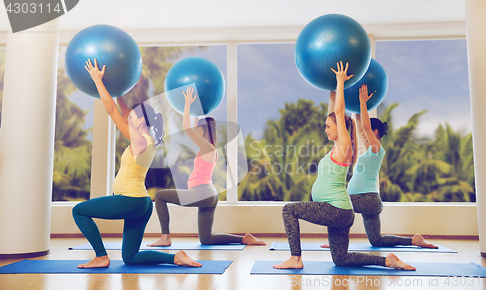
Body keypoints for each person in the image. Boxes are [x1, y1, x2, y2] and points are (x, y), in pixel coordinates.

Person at [273, 61, 415, 270]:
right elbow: (334, 111)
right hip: (340, 211)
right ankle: (387, 261)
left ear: (340, 129)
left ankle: (295, 258)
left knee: (289, 210)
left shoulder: (344, 146)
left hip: (336, 209)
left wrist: (340, 82)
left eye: (327, 126)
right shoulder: (335, 148)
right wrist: (331, 88)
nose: (325, 129)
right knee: (341, 259)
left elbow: (339, 113)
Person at [72, 59, 201, 269]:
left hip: (130, 201)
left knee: (79, 211)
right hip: (142, 204)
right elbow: (121, 112)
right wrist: (118, 91)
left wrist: (98, 81)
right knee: (130, 257)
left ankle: (100, 256)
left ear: (141, 121)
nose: (128, 117)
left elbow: (113, 112)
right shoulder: (146, 140)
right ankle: (175, 257)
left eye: (132, 116)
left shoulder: (140, 141)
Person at [320, 84, 437, 249]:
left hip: (365, 198)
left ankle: (335, 242)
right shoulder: (370, 152)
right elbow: (362, 125)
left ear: (374, 132)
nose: (362, 133)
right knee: (376, 240)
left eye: (366, 132)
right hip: (370, 200)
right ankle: (414, 240)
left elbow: (365, 127)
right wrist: (358, 109)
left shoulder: (377, 149)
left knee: (337, 205)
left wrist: (362, 103)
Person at [147, 86, 265, 247]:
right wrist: (197, 112)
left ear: (204, 129)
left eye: (198, 128)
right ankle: (244, 239)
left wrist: (187, 103)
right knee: (206, 239)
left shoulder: (207, 147)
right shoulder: (208, 148)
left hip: (201, 193)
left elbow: (188, 128)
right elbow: (194, 126)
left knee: (160, 196)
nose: (196, 130)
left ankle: (165, 237)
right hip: (209, 195)